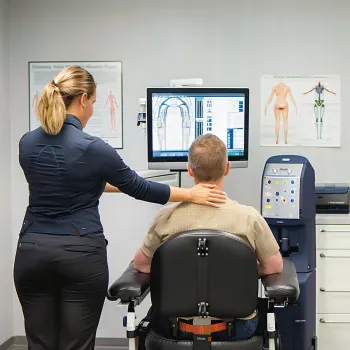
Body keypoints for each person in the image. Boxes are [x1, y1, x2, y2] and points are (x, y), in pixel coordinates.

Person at [13, 66, 227, 350]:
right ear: (84, 99)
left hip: (32, 253)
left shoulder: (27, 143)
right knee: (76, 345)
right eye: (94, 103)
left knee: (38, 344)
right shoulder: (93, 148)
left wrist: (185, 193)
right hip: (79, 256)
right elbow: (138, 187)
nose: (92, 110)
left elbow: (71, 181)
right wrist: (190, 194)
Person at [133, 134, 283, 341]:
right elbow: (274, 266)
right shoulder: (249, 218)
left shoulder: (166, 216)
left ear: (189, 170)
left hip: (175, 327)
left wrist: (178, 274)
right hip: (237, 329)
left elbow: (141, 264)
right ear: (227, 168)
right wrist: (237, 273)